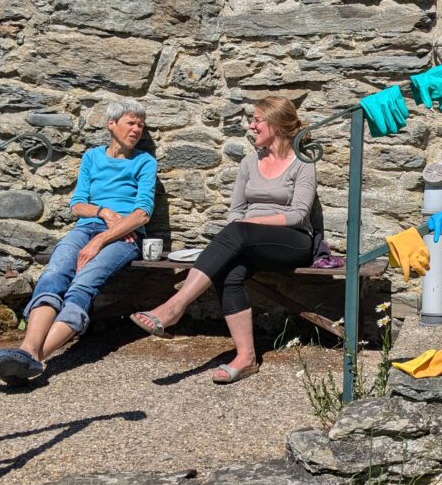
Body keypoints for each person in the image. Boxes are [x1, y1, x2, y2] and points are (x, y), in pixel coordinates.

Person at [131, 95, 317, 384]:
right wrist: (244, 226)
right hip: (247, 240)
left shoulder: (302, 163)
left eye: (257, 120)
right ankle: (246, 358)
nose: (251, 126)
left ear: (276, 124)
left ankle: (175, 306)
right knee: (229, 272)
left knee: (238, 231)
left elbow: (297, 215)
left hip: (292, 242)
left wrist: (249, 224)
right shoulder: (249, 163)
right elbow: (235, 213)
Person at [0, 99, 156, 385]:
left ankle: (31, 359)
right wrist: (104, 212)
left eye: (140, 125)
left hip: (124, 237)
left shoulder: (144, 162)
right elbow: (77, 205)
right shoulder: (92, 157)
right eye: (131, 123)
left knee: (83, 283)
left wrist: (102, 239)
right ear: (111, 124)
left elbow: (142, 213)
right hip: (86, 227)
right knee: (54, 274)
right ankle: (27, 351)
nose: (136, 130)